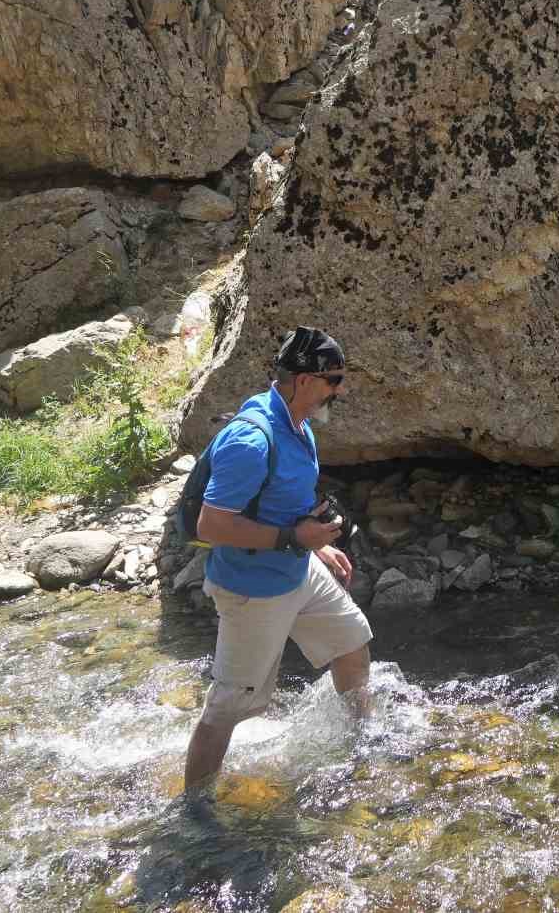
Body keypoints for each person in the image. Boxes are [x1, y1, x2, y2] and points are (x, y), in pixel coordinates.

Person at [183, 326, 372, 793]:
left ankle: (362, 743)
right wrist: (293, 538)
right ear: (305, 380)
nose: (340, 389)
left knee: (351, 645)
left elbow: (285, 501)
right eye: (335, 379)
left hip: (297, 568)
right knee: (227, 707)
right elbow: (211, 526)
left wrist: (316, 544)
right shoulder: (250, 442)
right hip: (253, 589)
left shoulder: (298, 423)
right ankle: (194, 809)